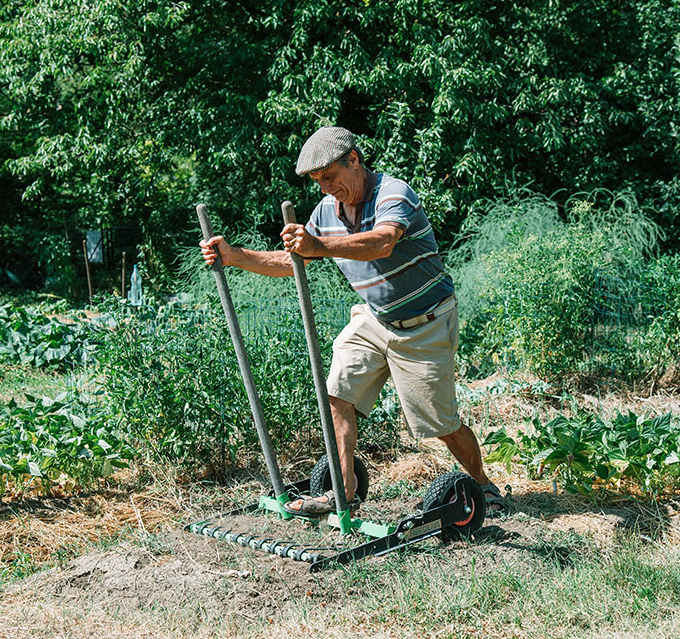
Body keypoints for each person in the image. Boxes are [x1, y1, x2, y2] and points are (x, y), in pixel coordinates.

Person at [200, 126, 504, 516]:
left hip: (423, 323)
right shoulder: (328, 211)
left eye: (330, 177)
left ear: (354, 160)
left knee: (439, 423)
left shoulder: (394, 194)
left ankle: (483, 483)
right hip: (374, 319)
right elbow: (296, 260)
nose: (325, 188)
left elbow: (382, 242)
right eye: (317, 182)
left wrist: (318, 246)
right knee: (337, 394)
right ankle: (341, 491)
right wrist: (235, 255)